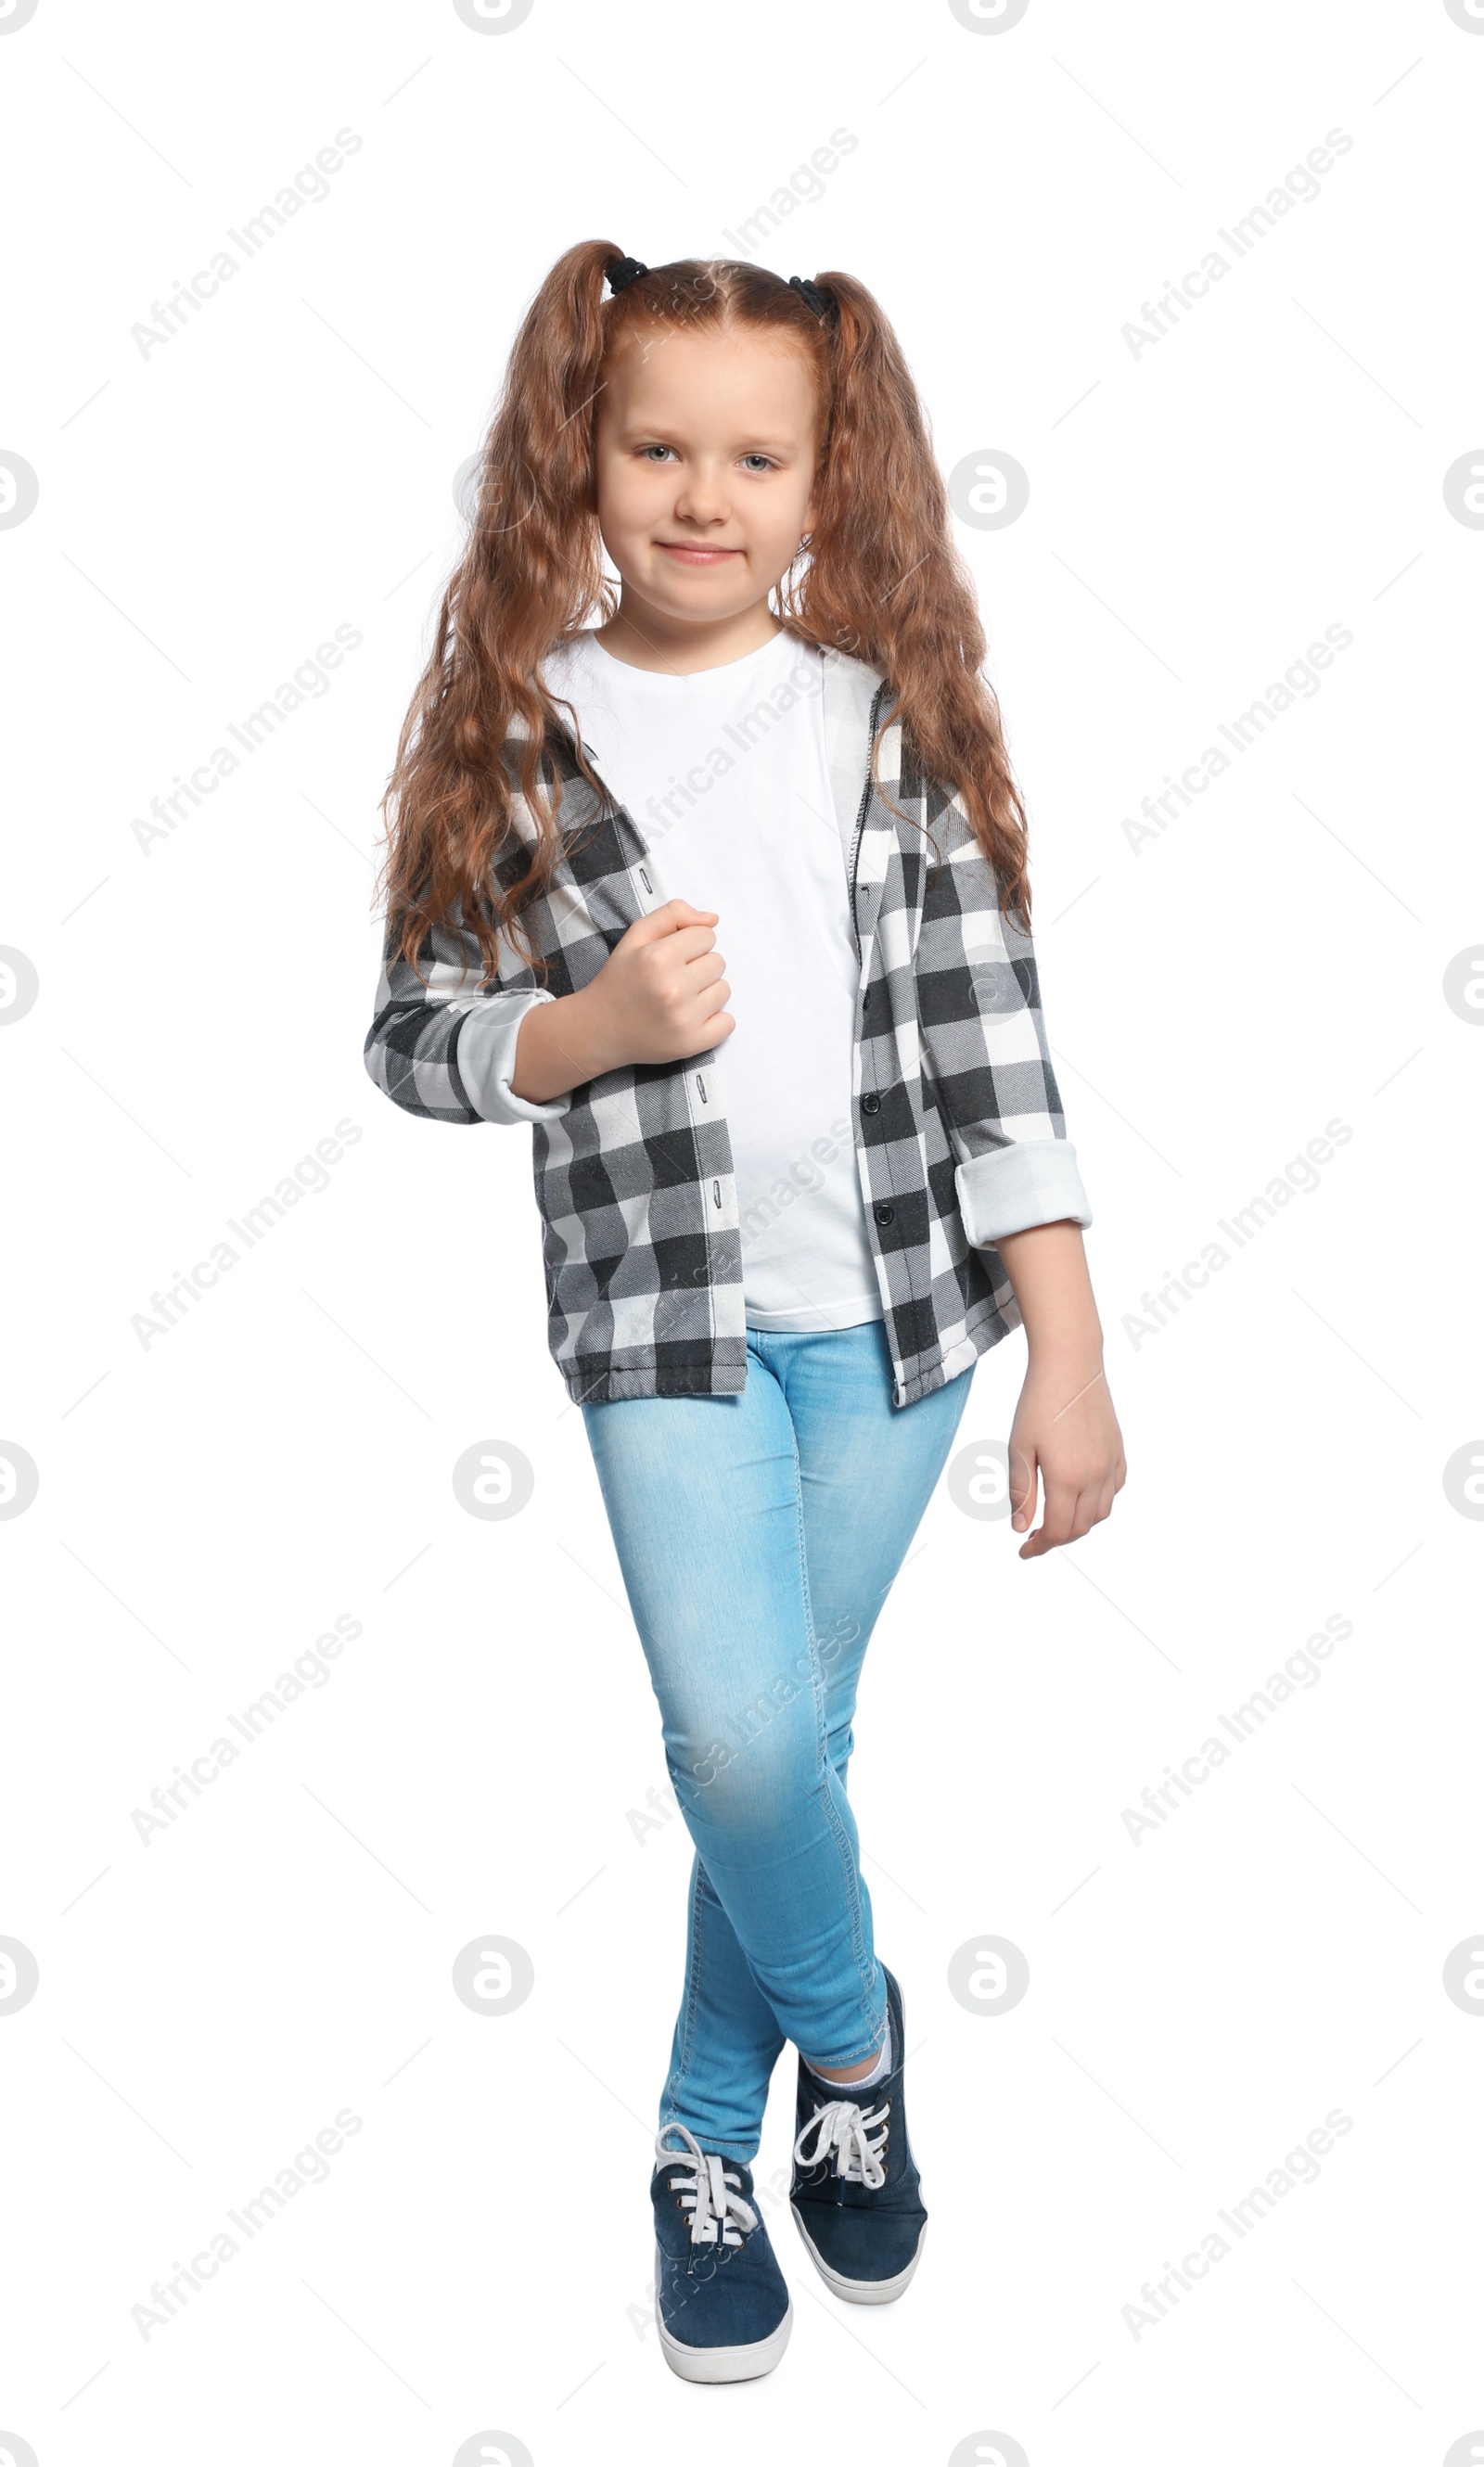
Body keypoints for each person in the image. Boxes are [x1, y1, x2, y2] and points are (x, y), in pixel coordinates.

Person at [365, 241, 1126, 2384]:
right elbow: (407, 1035)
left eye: (755, 456)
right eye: (656, 446)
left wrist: (1063, 1345)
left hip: (897, 1328)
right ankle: (848, 2042)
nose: (703, 493)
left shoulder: (878, 722)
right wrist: (577, 1031)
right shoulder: (517, 731)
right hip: (663, 1336)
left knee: (789, 1740)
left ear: (823, 480)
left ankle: (707, 2140)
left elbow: (997, 1057)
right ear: (579, 462)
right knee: (741, 1737)